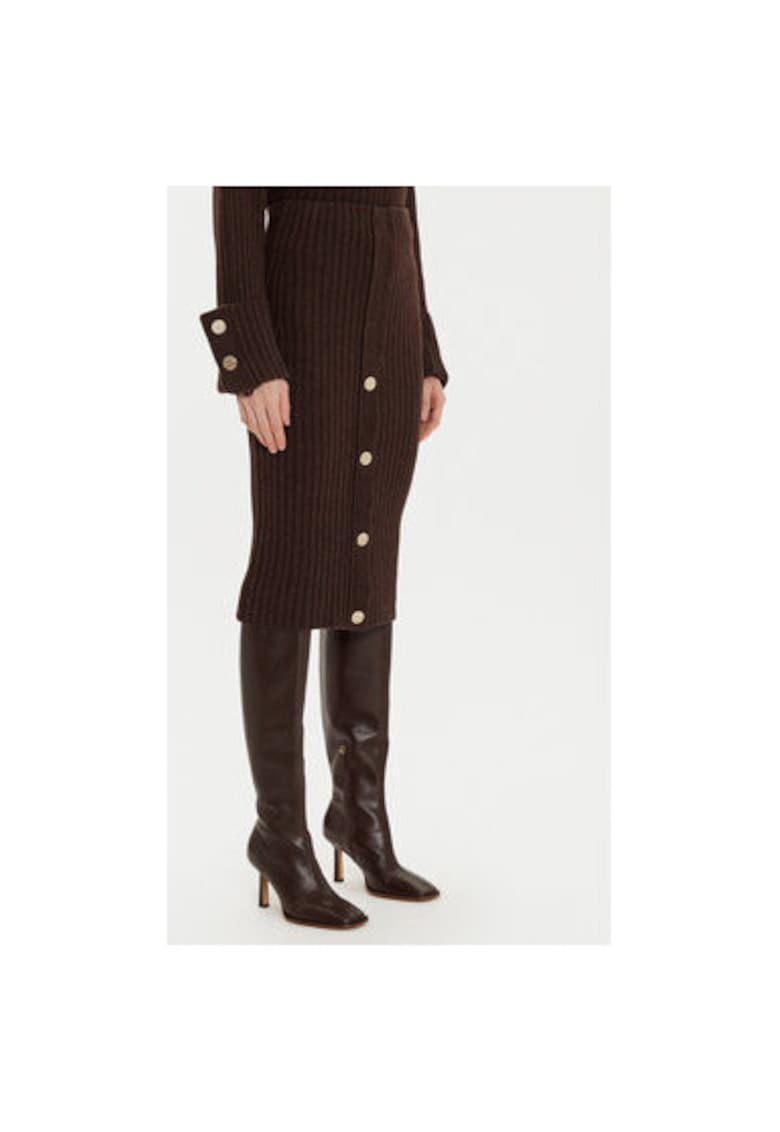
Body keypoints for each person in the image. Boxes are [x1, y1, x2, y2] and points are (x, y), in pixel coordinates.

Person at [200, 187, 448, 929]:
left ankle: (359, 818)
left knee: (367, 574)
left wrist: (425, 352)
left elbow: (404, 205)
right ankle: (279, 835)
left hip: (391, 329)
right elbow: (236, 211)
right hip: (301, 336)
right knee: (290, 572)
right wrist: (250, 359)